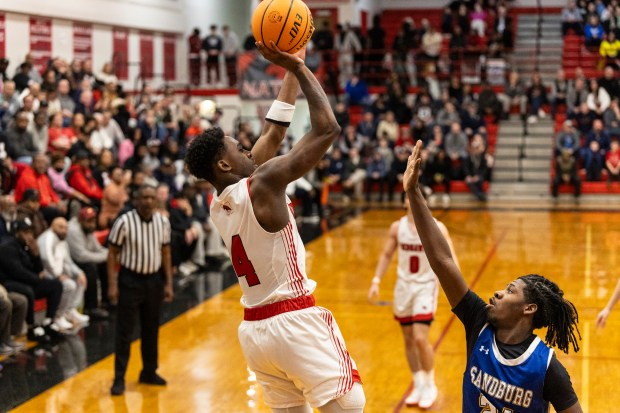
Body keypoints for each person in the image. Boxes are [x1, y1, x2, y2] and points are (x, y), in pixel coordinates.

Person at [185, 42, 365, 412]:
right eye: (239, 148)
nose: (248, 150)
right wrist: (302, 71)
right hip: (292, 318)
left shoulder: (219, 203)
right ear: (223, 165)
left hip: (255, 332)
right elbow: (327, 129)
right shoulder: (262, 183)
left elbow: (274, 133)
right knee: (350, 405)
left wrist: (291, 63)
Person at [402, 140, 583, 413]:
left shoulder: (546, 366)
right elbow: (442, 260)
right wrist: (414, 193)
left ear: (529, 308)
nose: (497, 293)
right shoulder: (480, 322)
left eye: (510, 291)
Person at [368, 194, 459, 408]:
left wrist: (457, 289)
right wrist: (375, 280)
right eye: (409, 197)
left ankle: (430, 384)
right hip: (403, 287)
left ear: (424, 202)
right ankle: (418, 384)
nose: (412, 201)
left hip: (425, 287)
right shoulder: (396, 228)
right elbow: (386, 255)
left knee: (420, 338)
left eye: (417, 197)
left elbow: (451, 257)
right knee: (408, 339)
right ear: (404, 202)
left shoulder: (437, 227)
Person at [107, 185, 174, 396]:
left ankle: (149, 372)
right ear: (136, 199)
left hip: (153, 281)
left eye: (151, 197)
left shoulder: (162, 222)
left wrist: (168, 283)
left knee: (151, 329)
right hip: (130, 281)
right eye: (143, 196)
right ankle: (119, 378)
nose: (147, 201)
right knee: (124, 332)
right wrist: (112, 284)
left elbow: (165, 252)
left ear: (156, 200)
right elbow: (112, 253)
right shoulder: (124, 221)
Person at [38, 217, 90, 330]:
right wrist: (57, 276)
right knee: (69, 285)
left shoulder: (62, 241)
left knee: (80, 278)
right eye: (60, 227)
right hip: (45, 274)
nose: (63, 230)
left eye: (66, 228)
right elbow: (46, 260)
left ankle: (70, 310)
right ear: (52, 226)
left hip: (58, 272)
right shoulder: (47, 238)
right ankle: (58, 316)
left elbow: (68, 261)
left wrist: (79, 273)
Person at [67, 207, 110, 319]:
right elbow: (81, 256)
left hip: (82, 259)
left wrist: (110, 255)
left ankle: (106, 299)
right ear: (81, 221)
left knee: (104, 263)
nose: (92, 225)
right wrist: (107, 256)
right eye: (89, 221)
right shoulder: (73, 230)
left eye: (93, 221)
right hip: (70, 262)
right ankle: (90, 308)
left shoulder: (88, 229)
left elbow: (97, 248)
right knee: (90, 267)